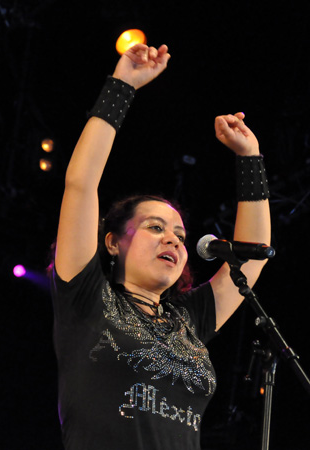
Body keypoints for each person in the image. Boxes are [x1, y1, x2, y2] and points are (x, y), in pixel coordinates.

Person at [51, 44, 271, 449]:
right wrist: (122, 85)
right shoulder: (87, 298)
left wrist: (250, 157)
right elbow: (81, 185)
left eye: (180, 236)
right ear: (113, 242)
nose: (173, 239)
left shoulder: (188, 320)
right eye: (155, 227)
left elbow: (252, 259)